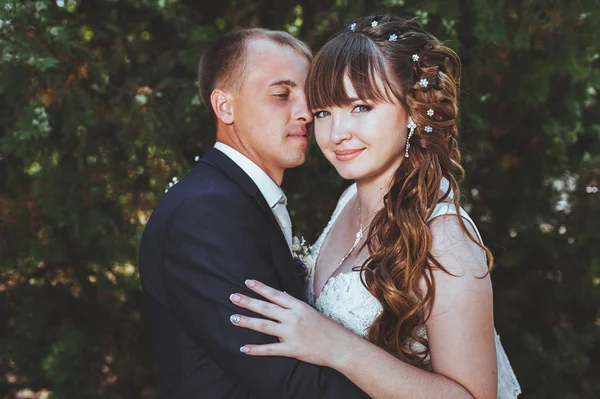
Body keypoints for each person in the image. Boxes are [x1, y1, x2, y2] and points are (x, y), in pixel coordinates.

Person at [228, 16, 522, 399]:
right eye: (323, 113)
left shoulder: (446, 238)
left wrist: (336, 346)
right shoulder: (349, 199)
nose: (337, 134)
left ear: (413, 111)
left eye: (361, 107)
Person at [138, 29, 369, 398]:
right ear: (224, 106)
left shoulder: (235, 200)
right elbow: (287, 379)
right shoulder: (205, 213)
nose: (307, 113)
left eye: (310, 97)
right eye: (282, 95)